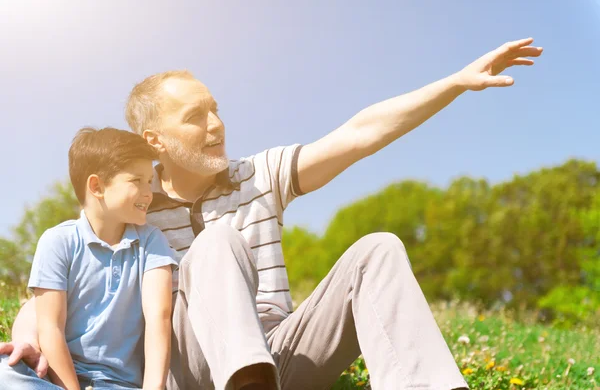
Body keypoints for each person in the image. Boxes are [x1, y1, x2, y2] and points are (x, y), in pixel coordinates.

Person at [3, 37, 542, 390]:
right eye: (196, 116)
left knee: (378, 249)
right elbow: (78, 275)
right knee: (217, 244)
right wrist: (27, 324)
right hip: (191, 369)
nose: (216, 125)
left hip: (279, 355)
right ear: (155, 140)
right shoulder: (134, 210)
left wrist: (451, 83)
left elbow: (359, 135)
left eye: (216, 108)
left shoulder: (260, 175)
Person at [0, 128, 178, 390]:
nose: (147, 191)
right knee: (6, 372)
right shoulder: (58, 241)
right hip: (60, 380)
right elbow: (51, 329)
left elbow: (158, 318)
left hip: (122, 385)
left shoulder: (152, 242)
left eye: (149, 180)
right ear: (97, 186)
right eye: (136, 180)